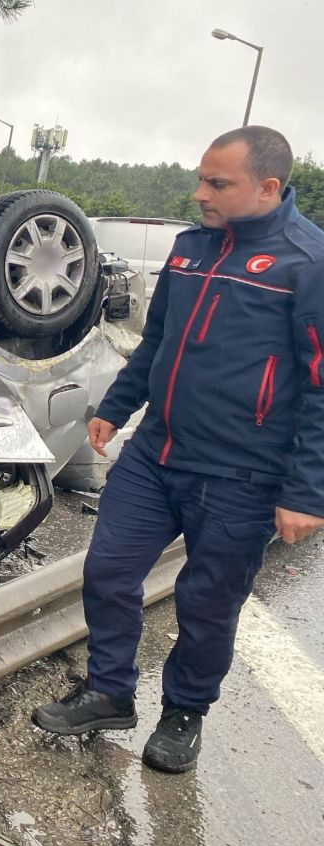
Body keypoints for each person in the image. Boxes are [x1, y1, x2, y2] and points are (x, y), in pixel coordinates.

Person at [33, 126, 324, 773]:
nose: (199, 194)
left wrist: (307, 491)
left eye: (217, 183)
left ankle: (185, 713)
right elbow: (158, 340)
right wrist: (116, 407)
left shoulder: (308, 263)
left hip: (243, 475)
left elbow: (320, 385)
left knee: (207, 604)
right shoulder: (191, 249)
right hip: (156, 455)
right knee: (108, 572)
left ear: (267, 188)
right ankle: (109, 691)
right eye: (200, 178)